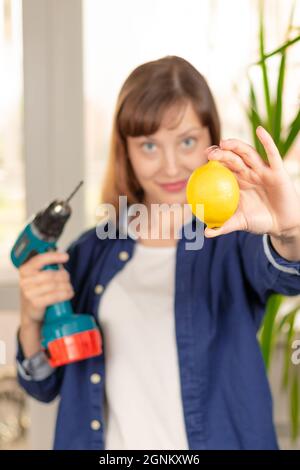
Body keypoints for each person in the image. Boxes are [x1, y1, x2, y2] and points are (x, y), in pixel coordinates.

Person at [16, 56, 300, 450]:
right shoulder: (88, 253)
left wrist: (290, 232)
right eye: (149, 145)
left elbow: (288, 271)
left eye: (186, 141)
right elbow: (44, 384)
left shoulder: (237, 241)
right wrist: (31, 320)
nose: (170, 166)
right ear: (126, 151)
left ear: (211, 140)